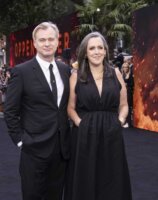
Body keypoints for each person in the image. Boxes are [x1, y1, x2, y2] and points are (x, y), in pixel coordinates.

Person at [4, 22, 71, 200]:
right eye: (42, 40)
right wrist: (20, 141)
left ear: (58, 42)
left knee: (56, 196)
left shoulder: (66, 71)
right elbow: (10, 111)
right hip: (33, 150)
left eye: (50, 39)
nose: (47, 43)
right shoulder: (21, 71)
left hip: (61, 150)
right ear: (34, 43)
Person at [65, 32, 132, 200]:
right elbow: (70, 108)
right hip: (84, 135)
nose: (96, 51)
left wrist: (120, 121)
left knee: (112, 177)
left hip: (111, 133)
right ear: (85, 52)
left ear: (105, 50)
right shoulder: (76, 76)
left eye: (100, 47)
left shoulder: (115, 73)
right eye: (92, 48)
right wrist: (81, 123)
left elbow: (124, 105)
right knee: (85, 177)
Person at [121, 62, 134, 127]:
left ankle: (129, 122)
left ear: (128, 68)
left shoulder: (130, 75)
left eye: (126, 67)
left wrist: (127, 85)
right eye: (123, 67)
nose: (124, 68)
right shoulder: (122, 75)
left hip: (128, 93)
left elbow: (132, 84)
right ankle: (125, 121)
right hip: (123, 93)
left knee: (128, 107)